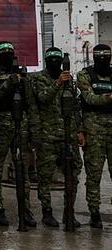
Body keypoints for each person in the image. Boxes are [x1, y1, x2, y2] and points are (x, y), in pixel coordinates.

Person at [0, 41, 38, 227]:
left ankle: (25, 210)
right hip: (0, 123)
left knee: (22, 169)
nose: (8, 54)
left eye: (10, 51)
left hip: (20, 123)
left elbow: (31, 103)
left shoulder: (23, 75)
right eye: (4, 51)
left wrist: (33, 129)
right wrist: (8, 84)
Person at [31, 47, 84, 229]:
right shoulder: (38, 78)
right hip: (47, 136)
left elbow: (75, 106)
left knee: (73, 173)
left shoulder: (70, 80)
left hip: (68, 135)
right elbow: (43, 98)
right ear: (46, 61)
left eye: (57, 59)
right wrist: (58, 83)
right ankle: (47, 213)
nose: (55, 62)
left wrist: (79, 130)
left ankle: (69, 212)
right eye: (51, 59)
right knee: (45, 176)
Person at [77, 43, 112, 229]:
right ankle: (95, 213)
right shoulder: (85, 75)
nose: (103, 59)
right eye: (99, 56)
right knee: (93, 175)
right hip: (93, 131)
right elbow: (89, 98)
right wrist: (108, 98)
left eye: (106, 55)